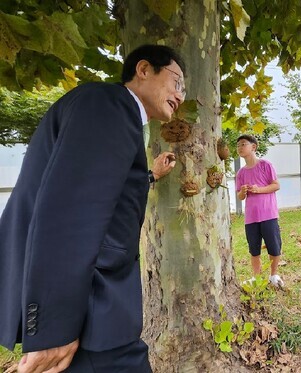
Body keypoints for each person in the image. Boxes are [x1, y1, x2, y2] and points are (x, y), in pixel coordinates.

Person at [0, 44, 184, 372]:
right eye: (176, 82)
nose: (180, 95)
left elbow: (102, 193)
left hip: (95, 312)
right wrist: (54, 327)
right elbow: (69, 213)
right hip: (94, 317)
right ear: (144, 70)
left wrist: (150, 176)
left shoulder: (108, 111)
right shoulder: (108, 105)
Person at [235, 135, 284, 287]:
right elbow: (240, 196)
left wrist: (259, 189)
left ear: (253, 147)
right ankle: (257, 278)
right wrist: (243, 191)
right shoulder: (240, 173)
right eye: (238, 146)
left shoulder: (265, 165)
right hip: (251, 218)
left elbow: (276, 185)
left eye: (243, 144)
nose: (240, 147)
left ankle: (274, 275)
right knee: (254, 249)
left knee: (274, 246)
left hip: (268, 214)